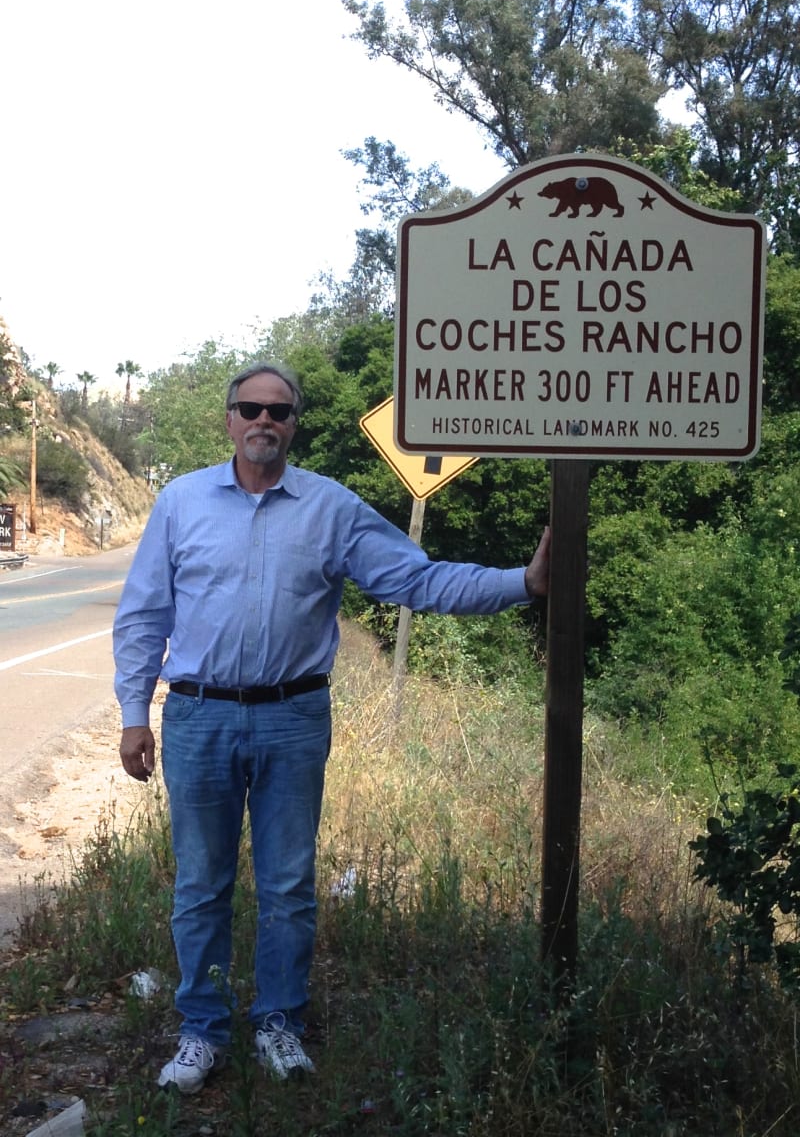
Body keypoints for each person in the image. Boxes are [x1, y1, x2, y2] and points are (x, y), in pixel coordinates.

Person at [114, 360, 550, 1095]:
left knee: (287, 885)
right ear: (229, 419)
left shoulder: (331, 509)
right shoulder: (181, 502)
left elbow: (417, 579)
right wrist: (133, 716)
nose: (263, 421)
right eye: (250, 408)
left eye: (278, 412)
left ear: (294, 426)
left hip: (292, 716)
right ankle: (201, 1032)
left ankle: (279, 1023)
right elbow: (144, 615)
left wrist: (523, 584)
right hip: (197, 715)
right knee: (199, 886)